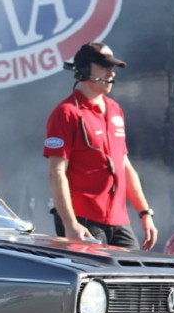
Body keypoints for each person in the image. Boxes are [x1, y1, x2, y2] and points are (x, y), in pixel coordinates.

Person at [44, 42, 158, 250]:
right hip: (83, 220)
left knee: (135, 276)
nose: (111, 73)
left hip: (118, 219)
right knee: (98, 278)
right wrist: (70, 225)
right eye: (105, 67)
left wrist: (145, 213)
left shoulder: (115, 109)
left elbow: (124, 165)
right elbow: (56, 172)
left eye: (112, 68)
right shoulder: (66, 113)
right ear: (85, 70)